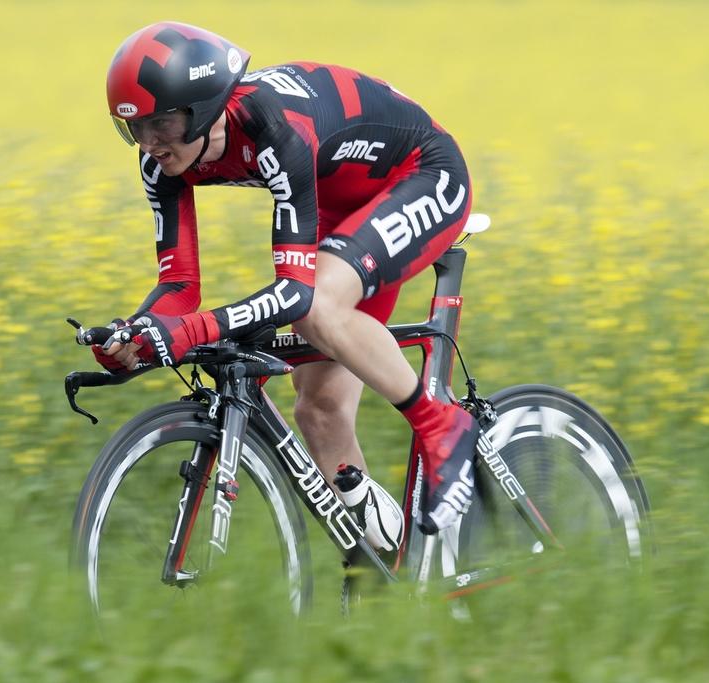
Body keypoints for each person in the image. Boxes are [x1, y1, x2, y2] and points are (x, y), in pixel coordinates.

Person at [95, 21, 481, 542]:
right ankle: (392, 572)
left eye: (160, 123)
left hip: (423, 174)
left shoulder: (274, 126)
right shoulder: (162, 164)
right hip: (340, 206)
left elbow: (296, 293)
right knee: (319, 408)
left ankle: (440, 423)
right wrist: (137, 334)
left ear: (205, 106)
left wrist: (190, 332)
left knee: (317, 307)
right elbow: (180, 287)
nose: (149, 143)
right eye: (135, 128)